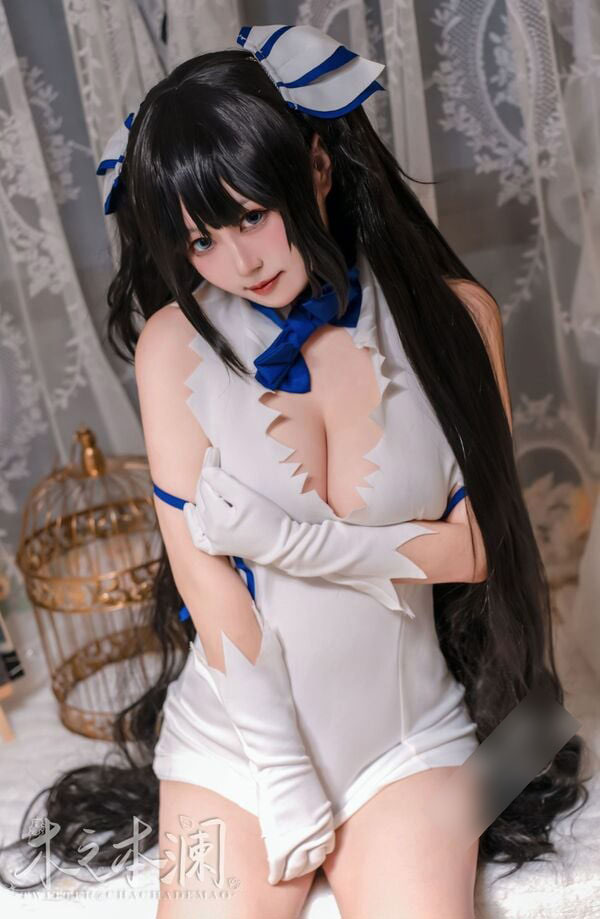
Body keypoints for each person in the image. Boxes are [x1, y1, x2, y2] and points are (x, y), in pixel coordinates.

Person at [0, 23, 588, 919]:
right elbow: (205, 581)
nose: (240, 262)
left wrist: (290, 541)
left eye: (250, 215)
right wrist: (279, 768)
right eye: (201, 241)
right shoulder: (172, 346)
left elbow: (476, 550)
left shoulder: (458, 318)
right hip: (233, 747)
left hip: (407, 740)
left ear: (316, 165)